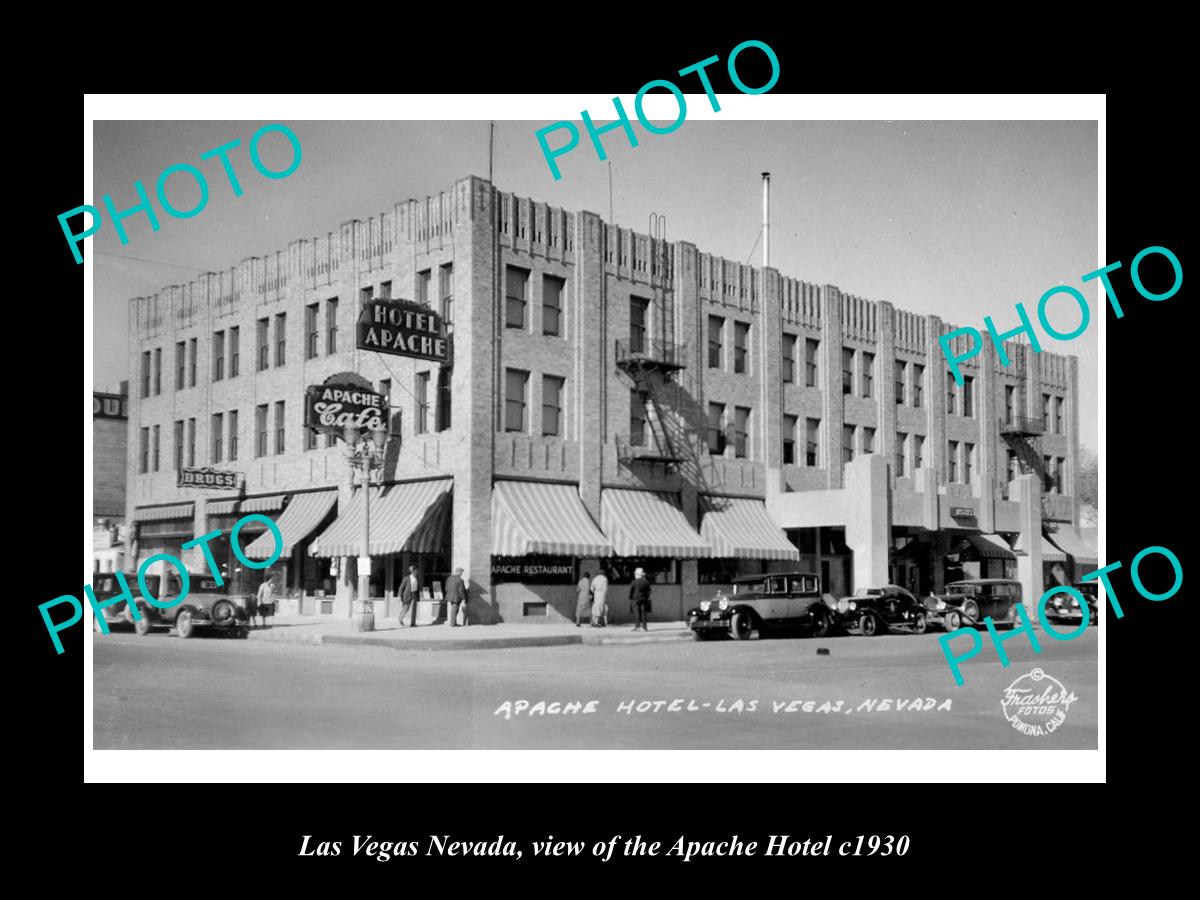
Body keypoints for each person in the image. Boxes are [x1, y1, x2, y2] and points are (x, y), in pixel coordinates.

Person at [629, 567, 652, 631]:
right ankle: (644, 627)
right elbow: (649, 591)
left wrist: (630, 597)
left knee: (637, 613)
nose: (635, 575)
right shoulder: (646, 582)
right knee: (643, 613)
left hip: (635, 599)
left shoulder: (634, 582)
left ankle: (637, 626)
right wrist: (646, 597)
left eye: (635, 574)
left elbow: (631, 591)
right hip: (644, 599)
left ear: (637, 575)